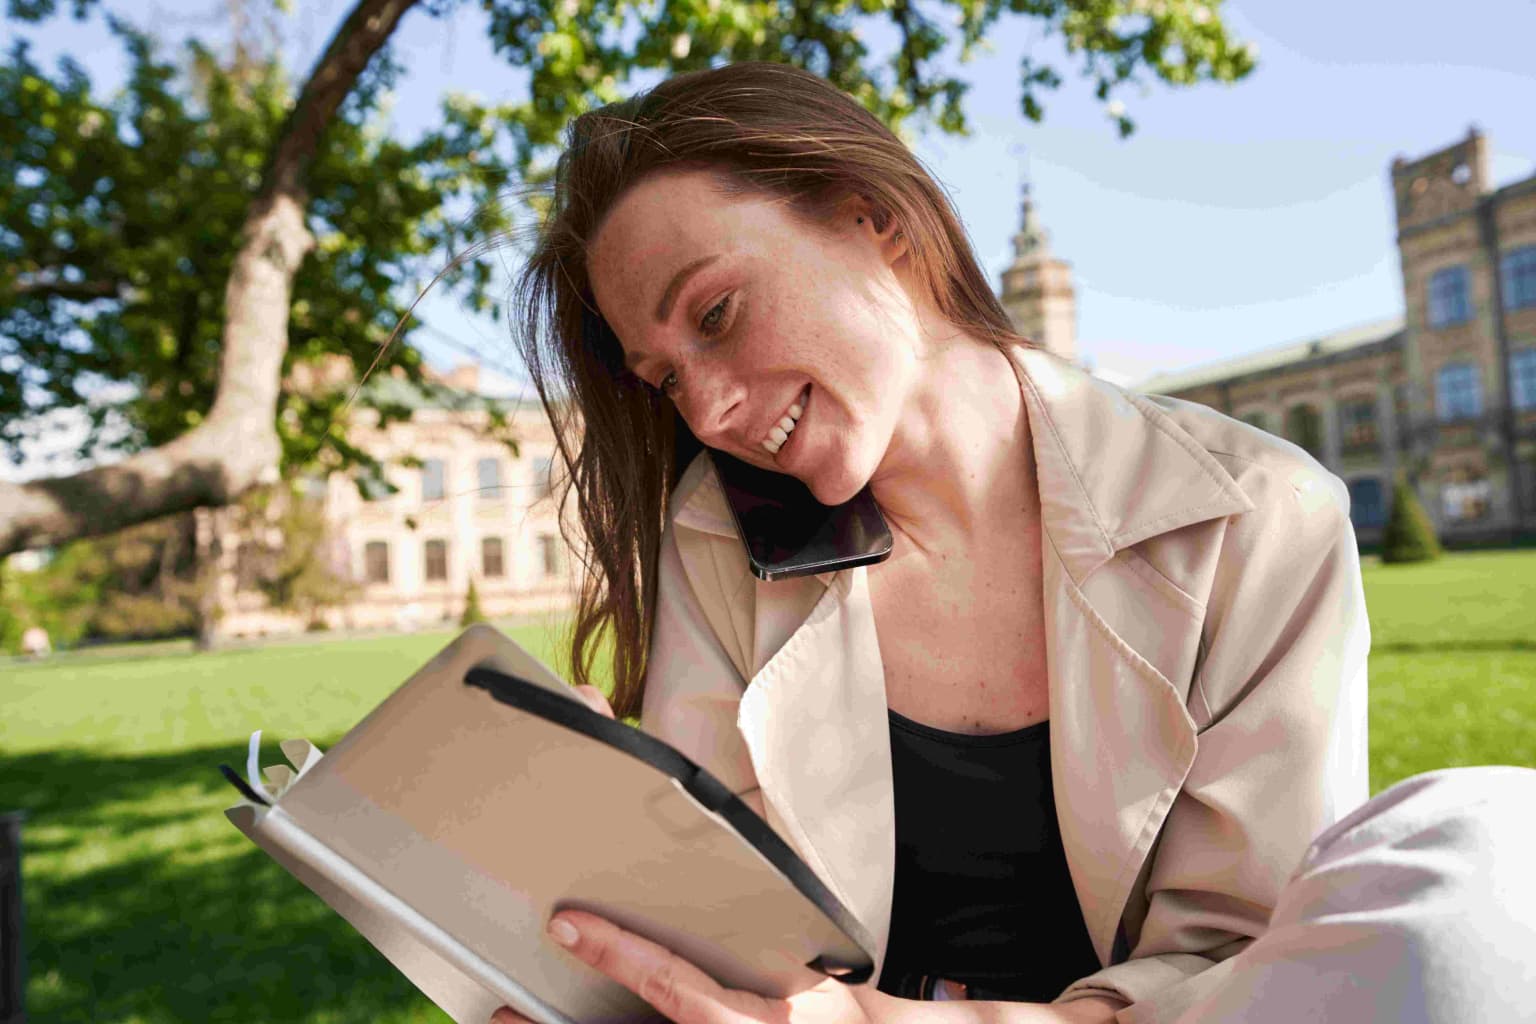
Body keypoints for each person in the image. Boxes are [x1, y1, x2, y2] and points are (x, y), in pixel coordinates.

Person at [492, 62, 1535, 1024]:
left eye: (716, 313)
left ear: (875, 220)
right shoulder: (716, 538)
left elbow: (1247, 966)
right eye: (666, 377)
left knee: (1490, 860)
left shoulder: (1261, 521)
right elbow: (733, 935)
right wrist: (602, 882)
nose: (709, 410)